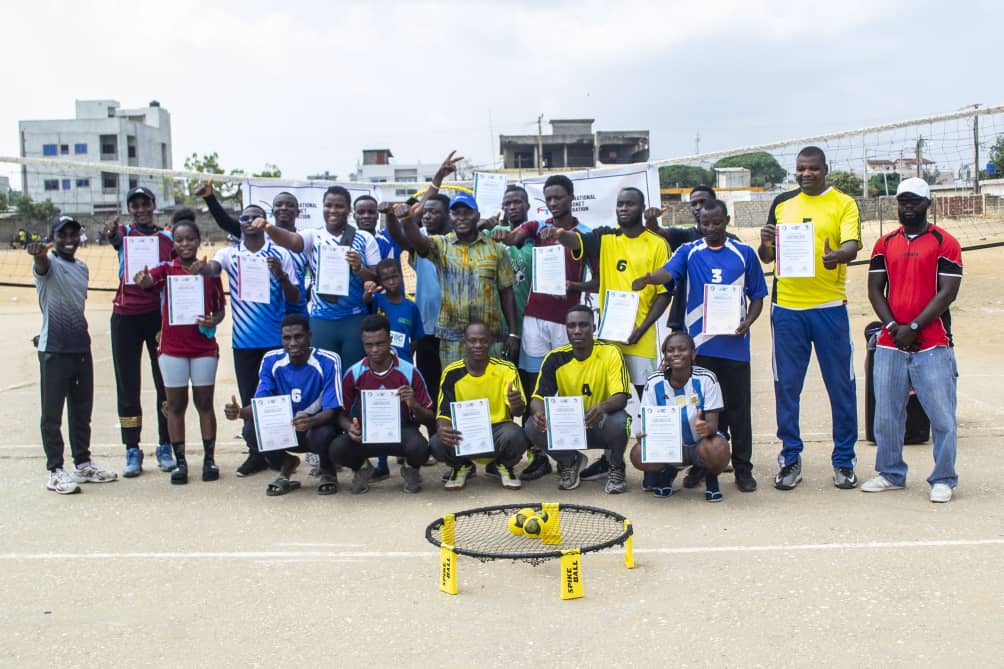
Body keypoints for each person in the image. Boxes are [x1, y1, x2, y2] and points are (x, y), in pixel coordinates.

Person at [632, 199, 767, 492]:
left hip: (733, 345)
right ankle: (701, 466)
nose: (711, 229)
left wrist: (749, 322)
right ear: (699, 223)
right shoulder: (689, 251)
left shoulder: (743, 253)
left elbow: (757, 295)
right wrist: (649, 278)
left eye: (716, 223)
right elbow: (668, 273)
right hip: (700, 348)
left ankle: (743, 469)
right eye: (705, 224)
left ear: (727, 220)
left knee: (738, 412)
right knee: (701, 413)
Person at [542, 186, 671, 480]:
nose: (623, 208)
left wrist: (642, 328)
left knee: (646, 404)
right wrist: (559, 235)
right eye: (620, 204)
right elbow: (577, 241)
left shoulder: (657, 244)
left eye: (630, 204)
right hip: (609, 339)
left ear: (641, 207)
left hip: (639, 339)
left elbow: (665, 293)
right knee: (606, 401)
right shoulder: (605, 237)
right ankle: (610, 460)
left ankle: (655, 467)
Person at [757, 146, 861, 491]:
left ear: (825, 170)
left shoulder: (843, 203)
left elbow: (852, 247)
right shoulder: (783, 204)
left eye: (813, 168)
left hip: (830, 307)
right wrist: (765, 243)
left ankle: (844, 461)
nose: (806, 174)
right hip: (787, 310)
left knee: (841, 386)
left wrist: (838, 257)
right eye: (801, 168)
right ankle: (790, 458)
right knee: (787, 388)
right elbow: (767, 256)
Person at [861, 177, 963, 503]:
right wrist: (893, 326)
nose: (908, 206)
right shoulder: (885, 242)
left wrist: (915, 326)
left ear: (927, 204)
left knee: (942, 415)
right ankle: (891, 473)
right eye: (903, 200)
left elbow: (948, 292)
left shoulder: (945, 242)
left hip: (931, 342)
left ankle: (944, 478)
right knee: (888, 414)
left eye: (914, 201)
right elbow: (875, 288)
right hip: (892, 342)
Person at [493, 177, 597, 482]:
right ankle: (538, 457)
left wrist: (574, 285)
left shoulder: (585, 233)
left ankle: (568, 455)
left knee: (563, 386)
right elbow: (514, 237)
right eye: (549, 198)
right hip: (534, 317)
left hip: (567, 320)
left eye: (559, 198)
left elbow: (597, 281)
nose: (553, 203)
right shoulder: (537, 227)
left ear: (571, 198)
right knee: (533, 384)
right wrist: (503, 233)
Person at [391, 153, 520, 370]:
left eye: (467, 213)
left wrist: (514, 333)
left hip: (489, 337)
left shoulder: (496, 249)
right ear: (450, 217)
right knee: (455, 391)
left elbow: (507, 292)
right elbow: (415, 239)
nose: (461, 217)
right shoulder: (440, 246)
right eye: (456, 213)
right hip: (451, 338)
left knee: (491, 392)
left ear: (476, 215)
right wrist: (405, 218)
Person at [201, 205, 300, 477]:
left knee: (277, 401)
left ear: (264, 222)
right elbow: (212, 268)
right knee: (250, 400)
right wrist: (201, 267)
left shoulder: (280, 253)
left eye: (255, 216)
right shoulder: (230, 254)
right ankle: (257, 454)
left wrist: (280, 274)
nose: (249, 221)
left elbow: (294, 297)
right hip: (244, 342)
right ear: (240, 223)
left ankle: (279, 455)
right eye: (244, 217)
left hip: (275, 342)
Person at [134, 218, 226, 484]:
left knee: (205, 403)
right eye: (179, 240)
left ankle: (209, 460)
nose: (185, 244)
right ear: (173, 243)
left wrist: (214, 320)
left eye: (190, 239)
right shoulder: (166, 269)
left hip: (203, 348)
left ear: (198, 240)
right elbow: (149, 280)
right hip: (173, 349)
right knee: (175, 405)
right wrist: (143, 280)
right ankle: (181, 463)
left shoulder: (209, 272)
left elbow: (219, 309)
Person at [31, 216, 117, 494]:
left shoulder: (82, 267)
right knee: (52, 414)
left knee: (81, 412)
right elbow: (41, 265)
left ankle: (83, 464)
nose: (69, 239)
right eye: (62, 234)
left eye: (74, 234)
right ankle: (55, 470)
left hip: (80, 347)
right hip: (54, 350)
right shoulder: (47, 263)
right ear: (53, 237)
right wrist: (38, 255)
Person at [250, 186, 380, 368]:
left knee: (353, 375)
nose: (333, 210)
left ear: (349, 210)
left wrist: (359, 267)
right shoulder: (314, 236)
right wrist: (268, 227)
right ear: (323, 207)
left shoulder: (364, 238)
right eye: (328, 205)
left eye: (339, 206)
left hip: (354, 318)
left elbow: (375, 279)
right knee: (323, 374)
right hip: (321, 318)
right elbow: (290, 240)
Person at [224, 314, 344, 496]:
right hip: (286, 429)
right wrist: (239, 412)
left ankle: (328, 470)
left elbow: (333, 410)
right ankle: (286, 463)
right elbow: (261, 406)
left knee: (326, 433)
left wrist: (310, 422)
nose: (293, 343)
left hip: (315, 428)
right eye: (287, 338)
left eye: (298, 336)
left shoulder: (328, 360)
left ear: (309, 336)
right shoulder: (271, 360)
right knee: (250, 430)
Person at [103, 186, 175, 476]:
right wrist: (109, 231)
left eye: (146, 204)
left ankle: (165, 444)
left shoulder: (166, 238)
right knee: (128, 384)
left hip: (156, 317)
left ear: (153, 205)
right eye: (136, 205)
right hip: (125, 317)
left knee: (164, 383)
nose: (141, 209)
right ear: (130, 208)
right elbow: (113, 236)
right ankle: (132, 448)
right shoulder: (124, 233)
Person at [525, 305, 631, 492]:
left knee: (621, 421)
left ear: (594, 327)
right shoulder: (555, 358)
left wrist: (602, 408)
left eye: (583, 325)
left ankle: (614, 464)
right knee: (532, 426)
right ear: (565, 328)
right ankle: (570, 461)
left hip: (600, 423)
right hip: (570, 427)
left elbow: (621, 397)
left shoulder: (610, 352)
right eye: (571, 326)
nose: (577, 331)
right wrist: (539, 412)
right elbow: (537, 397)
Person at [330, 315, 434, 494]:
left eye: (380, 343)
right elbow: (340, 413)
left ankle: (410, 468)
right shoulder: (354, 373)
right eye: (368, 345)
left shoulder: (409, 371)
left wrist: (414, 404)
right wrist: (349, 428)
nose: (375, 349)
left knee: (421, 448)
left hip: (402, 432)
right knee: (337, 448)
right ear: (362, 343)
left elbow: (430, 417)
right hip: (367, 433)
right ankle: (363, 467)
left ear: (390, 340)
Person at [629, 332, 731, 501]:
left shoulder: (707, 379)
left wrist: (705, 429)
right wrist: (643, 437)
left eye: (682, 349)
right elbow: (649, 426)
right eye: (671, 350)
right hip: (670, 448)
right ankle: (667, 471)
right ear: (665, 356)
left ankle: (711, 477)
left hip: (700, 445)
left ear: (693, 354)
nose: (676, 353)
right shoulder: (654, 383)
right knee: (638, 453)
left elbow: (713, 426)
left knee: (718, 447)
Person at [429, 321, 530, 490]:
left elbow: (518, 412)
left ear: (490, 342)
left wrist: (516, 403)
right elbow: (444, 412)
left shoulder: (506, 369)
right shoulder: (451, 372)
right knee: (436, 443)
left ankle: (502, 465)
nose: (478, 345)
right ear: (464, 343)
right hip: (464, 433)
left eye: (483, 341)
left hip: (497, 432)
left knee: (517, 434)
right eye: (472, 340)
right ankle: (461, 466)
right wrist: (442, 428)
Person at [195, 181, 308, 316]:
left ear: (298, 212)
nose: (284, 208)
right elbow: (226, 222)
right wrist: (209, 198)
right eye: (279, 205)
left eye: (290, 205)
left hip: (297, 311)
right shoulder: (259, 235)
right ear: (272, 212)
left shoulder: (304, 240)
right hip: (269, 311)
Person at [382, 193, 451, 403]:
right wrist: (391, 216)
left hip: (455, 329)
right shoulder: (420, 243)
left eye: (435, 212)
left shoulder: (458, 242)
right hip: (427, 329)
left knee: (452, 386)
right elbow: (399, 237)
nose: (428, 216)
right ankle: (433, 433)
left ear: (448, 215)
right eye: (426, 212)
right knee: (429, 387)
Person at [645, 185, 717, 332]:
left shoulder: (735, 244)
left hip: (719, 319)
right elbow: (656, 232)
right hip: (684, 319)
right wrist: (651, 220)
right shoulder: (684, 238)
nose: (698, 207)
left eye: (702, 202)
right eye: (694, 204)